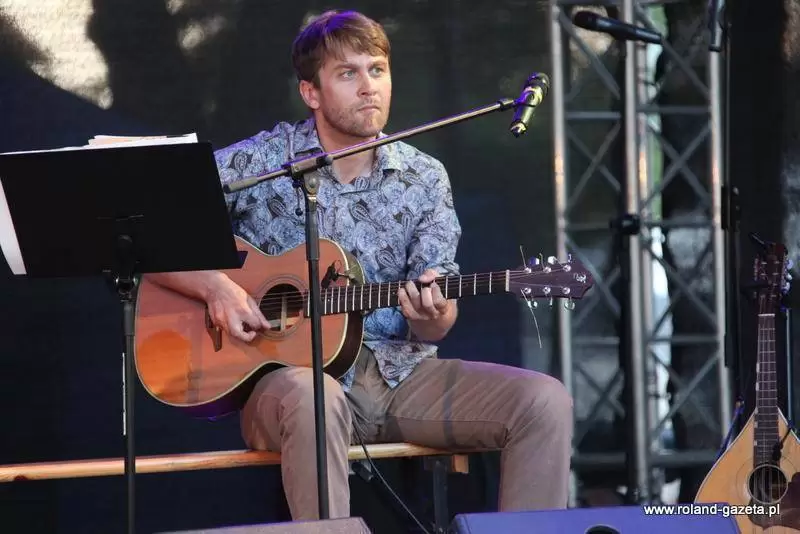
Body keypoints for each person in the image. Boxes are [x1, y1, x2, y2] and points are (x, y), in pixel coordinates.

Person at [149, 9, 573, 521]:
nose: (368, 86)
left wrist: (432, 313)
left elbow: (436, 323)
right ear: (311, 92)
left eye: (377, 70)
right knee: (315, 396)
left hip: (400, 377)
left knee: (543, 401)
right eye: (348, 73)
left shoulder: (423, 177)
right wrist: (217, 289)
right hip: (288, 385)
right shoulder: (259, 163)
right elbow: (149, 233)